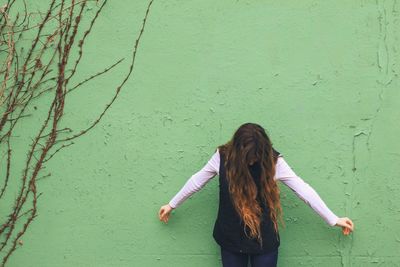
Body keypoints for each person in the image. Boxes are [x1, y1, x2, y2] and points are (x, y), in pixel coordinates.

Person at [158, 122, 354, 267]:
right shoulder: (222, 157)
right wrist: (172, 204)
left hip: (264, 240)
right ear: (236, 150)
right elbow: (197, 180)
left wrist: (333, 218)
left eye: (255, 156)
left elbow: (302, 189)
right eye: (247, 157)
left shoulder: (273, 161)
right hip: (230, 237)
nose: (251, 161)